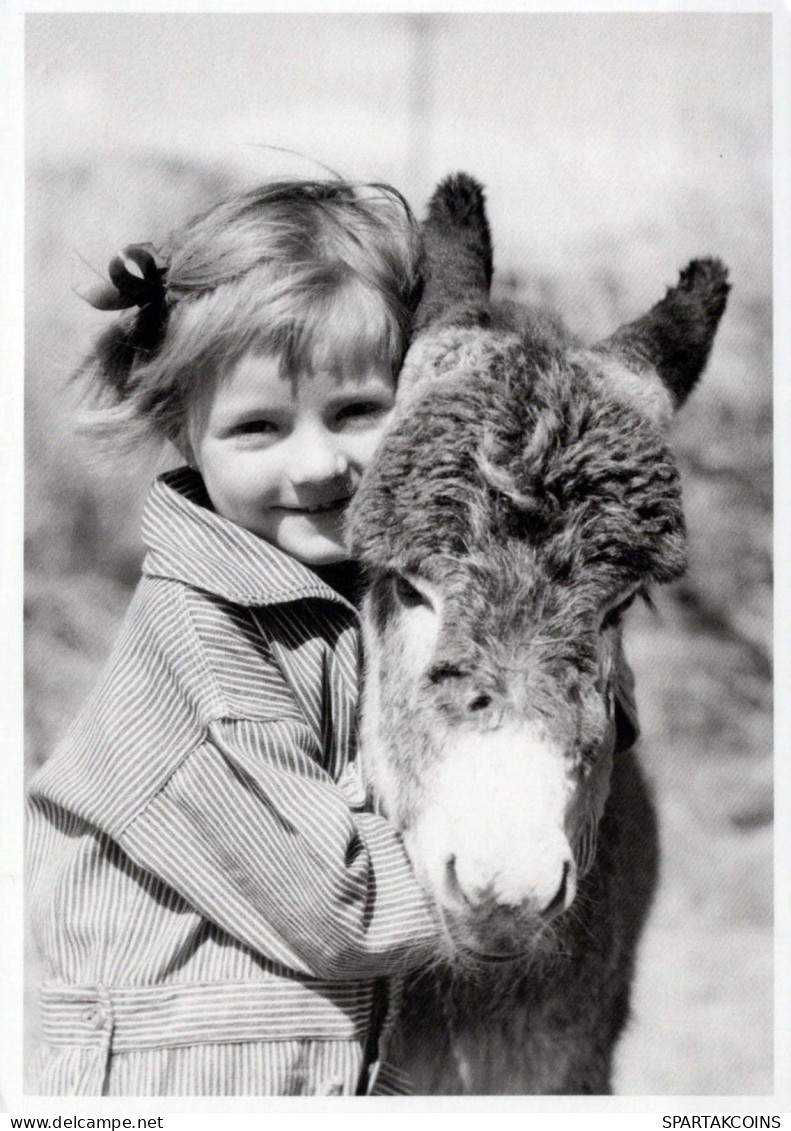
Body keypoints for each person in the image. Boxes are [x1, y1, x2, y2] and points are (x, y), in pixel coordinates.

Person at [26, 179, 442, 1097]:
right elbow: (341, 909)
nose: (318, 464)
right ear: (184, 431)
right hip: (180, 1079)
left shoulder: (333, 595)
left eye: (357, 411)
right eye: (258, 426)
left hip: (295, 1060)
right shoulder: (202, 655)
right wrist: (481, 866)